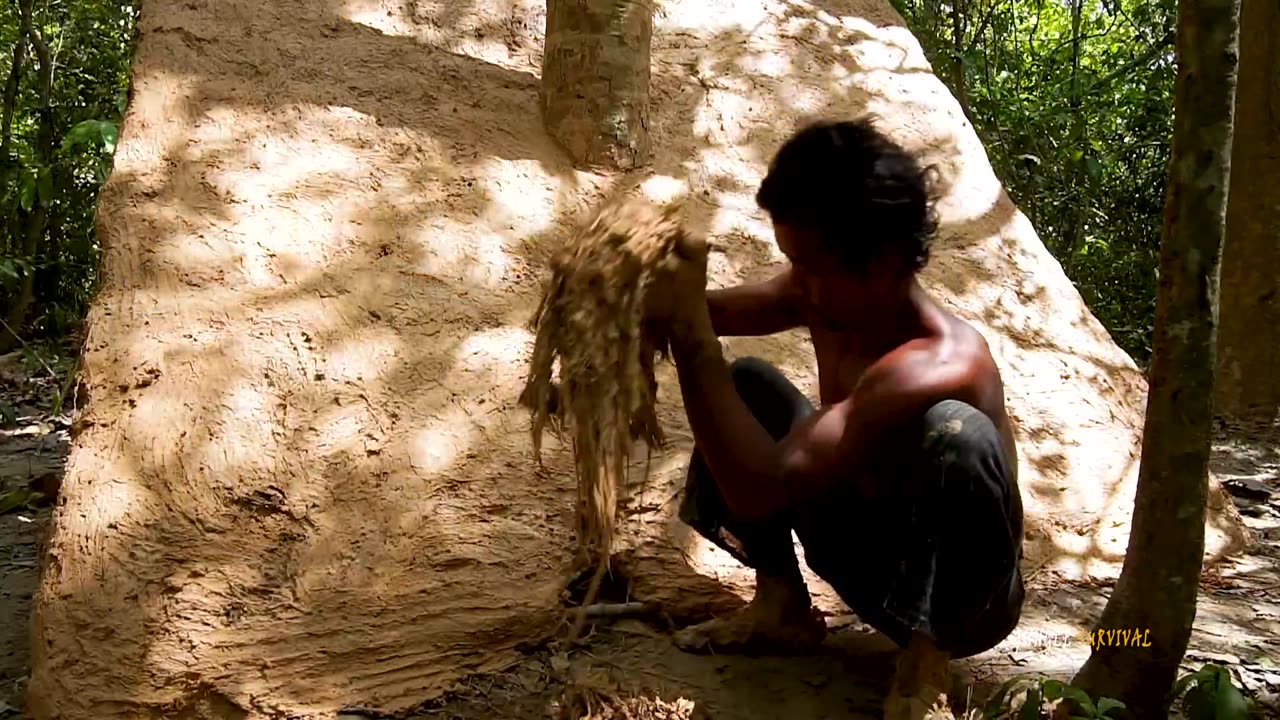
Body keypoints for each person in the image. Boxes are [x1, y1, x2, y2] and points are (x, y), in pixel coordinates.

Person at [645, 116, 1026, 720]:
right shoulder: (826, 293)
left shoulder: (939, 360)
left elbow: (760, 483)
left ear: (883, 264)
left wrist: (691, 339)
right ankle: (781, 607)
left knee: (958, 432)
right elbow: (703, 310)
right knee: (747, 384)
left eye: (809, 264)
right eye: (792, 262)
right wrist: (641, 297)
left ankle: (928, 662)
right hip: (866, 560)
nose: (797, 281)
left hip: (965, 603)